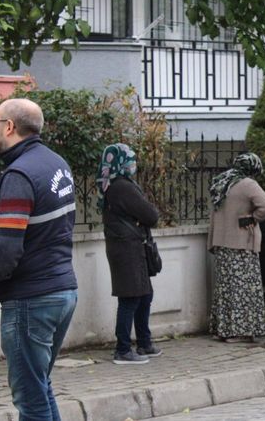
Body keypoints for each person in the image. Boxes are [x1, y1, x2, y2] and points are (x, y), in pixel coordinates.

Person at [0, 98, 79, 419]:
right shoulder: (56, 163)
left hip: (30, 300)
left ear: (9, 126)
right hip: (62, 291)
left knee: (30, 400)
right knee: (40, 386)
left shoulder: (19, 175)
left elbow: (6, 249)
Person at [97, 143, 162, 365]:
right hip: (127, 250)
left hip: (129, 247)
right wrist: (147, 212)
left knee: (144, 295)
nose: (133, 164)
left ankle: (144, 342)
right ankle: (123, 349)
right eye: (130, 160)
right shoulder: (121, 187)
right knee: (130, 298)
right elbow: (151, 215)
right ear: (120, 163)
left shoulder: (115, 186)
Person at [207, 152, 265, 342]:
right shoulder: (247, 184)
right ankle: (240, 332)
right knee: (243, 289)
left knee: (225, 287)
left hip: (221, 242)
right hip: (241, 242)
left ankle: (223, 329)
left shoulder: (221, 182)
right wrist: (253, 218)